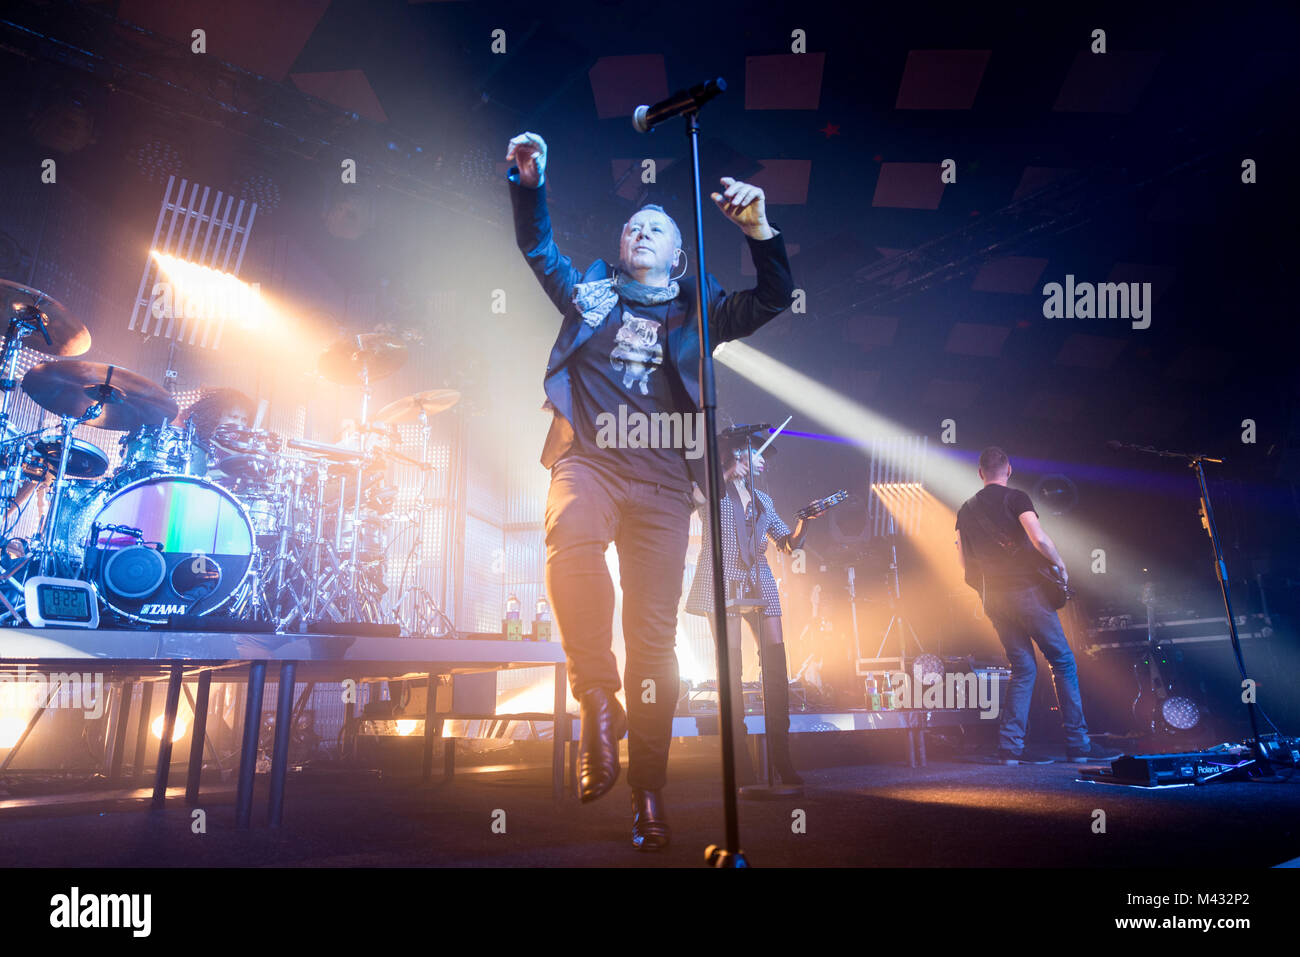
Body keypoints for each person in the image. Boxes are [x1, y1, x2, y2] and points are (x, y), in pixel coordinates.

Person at [505, 130, 795, 850]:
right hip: (592, 463)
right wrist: (530, 185)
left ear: (678, 255)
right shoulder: (593, 295)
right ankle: (597, 699)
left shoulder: (702, 310)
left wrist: (760, 230)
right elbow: (540, 250)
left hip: (665, 484)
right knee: (569, 539)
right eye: (633, 224)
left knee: (655, 641)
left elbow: (776, 296)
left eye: (657, 227)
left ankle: (648, 789)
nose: (640, 229)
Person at [955, 447, 1118, 765]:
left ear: (979, 473)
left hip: (994, 599)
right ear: (1009, 470)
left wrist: (987, 592)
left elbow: (963, 566)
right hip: (1025, 591)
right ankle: (1078, 745)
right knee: (1063, 661)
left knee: (1023, 668)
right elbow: (1039, 539)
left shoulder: (965, 509)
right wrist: (1059, 565)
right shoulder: (1016, 498)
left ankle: (1010, 750)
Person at [685, 435, 816, 786]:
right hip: (723, 578)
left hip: (760, 578)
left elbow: (788, 545)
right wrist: (726, 471)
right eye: (756, 455)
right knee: (731, 669)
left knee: (775, 665)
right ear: (739, 455)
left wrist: (805, 520)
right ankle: (739, 759)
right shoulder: (712, 490)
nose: (763, 461)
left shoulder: (762, 500)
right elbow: (687, 498)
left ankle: (782, 757)